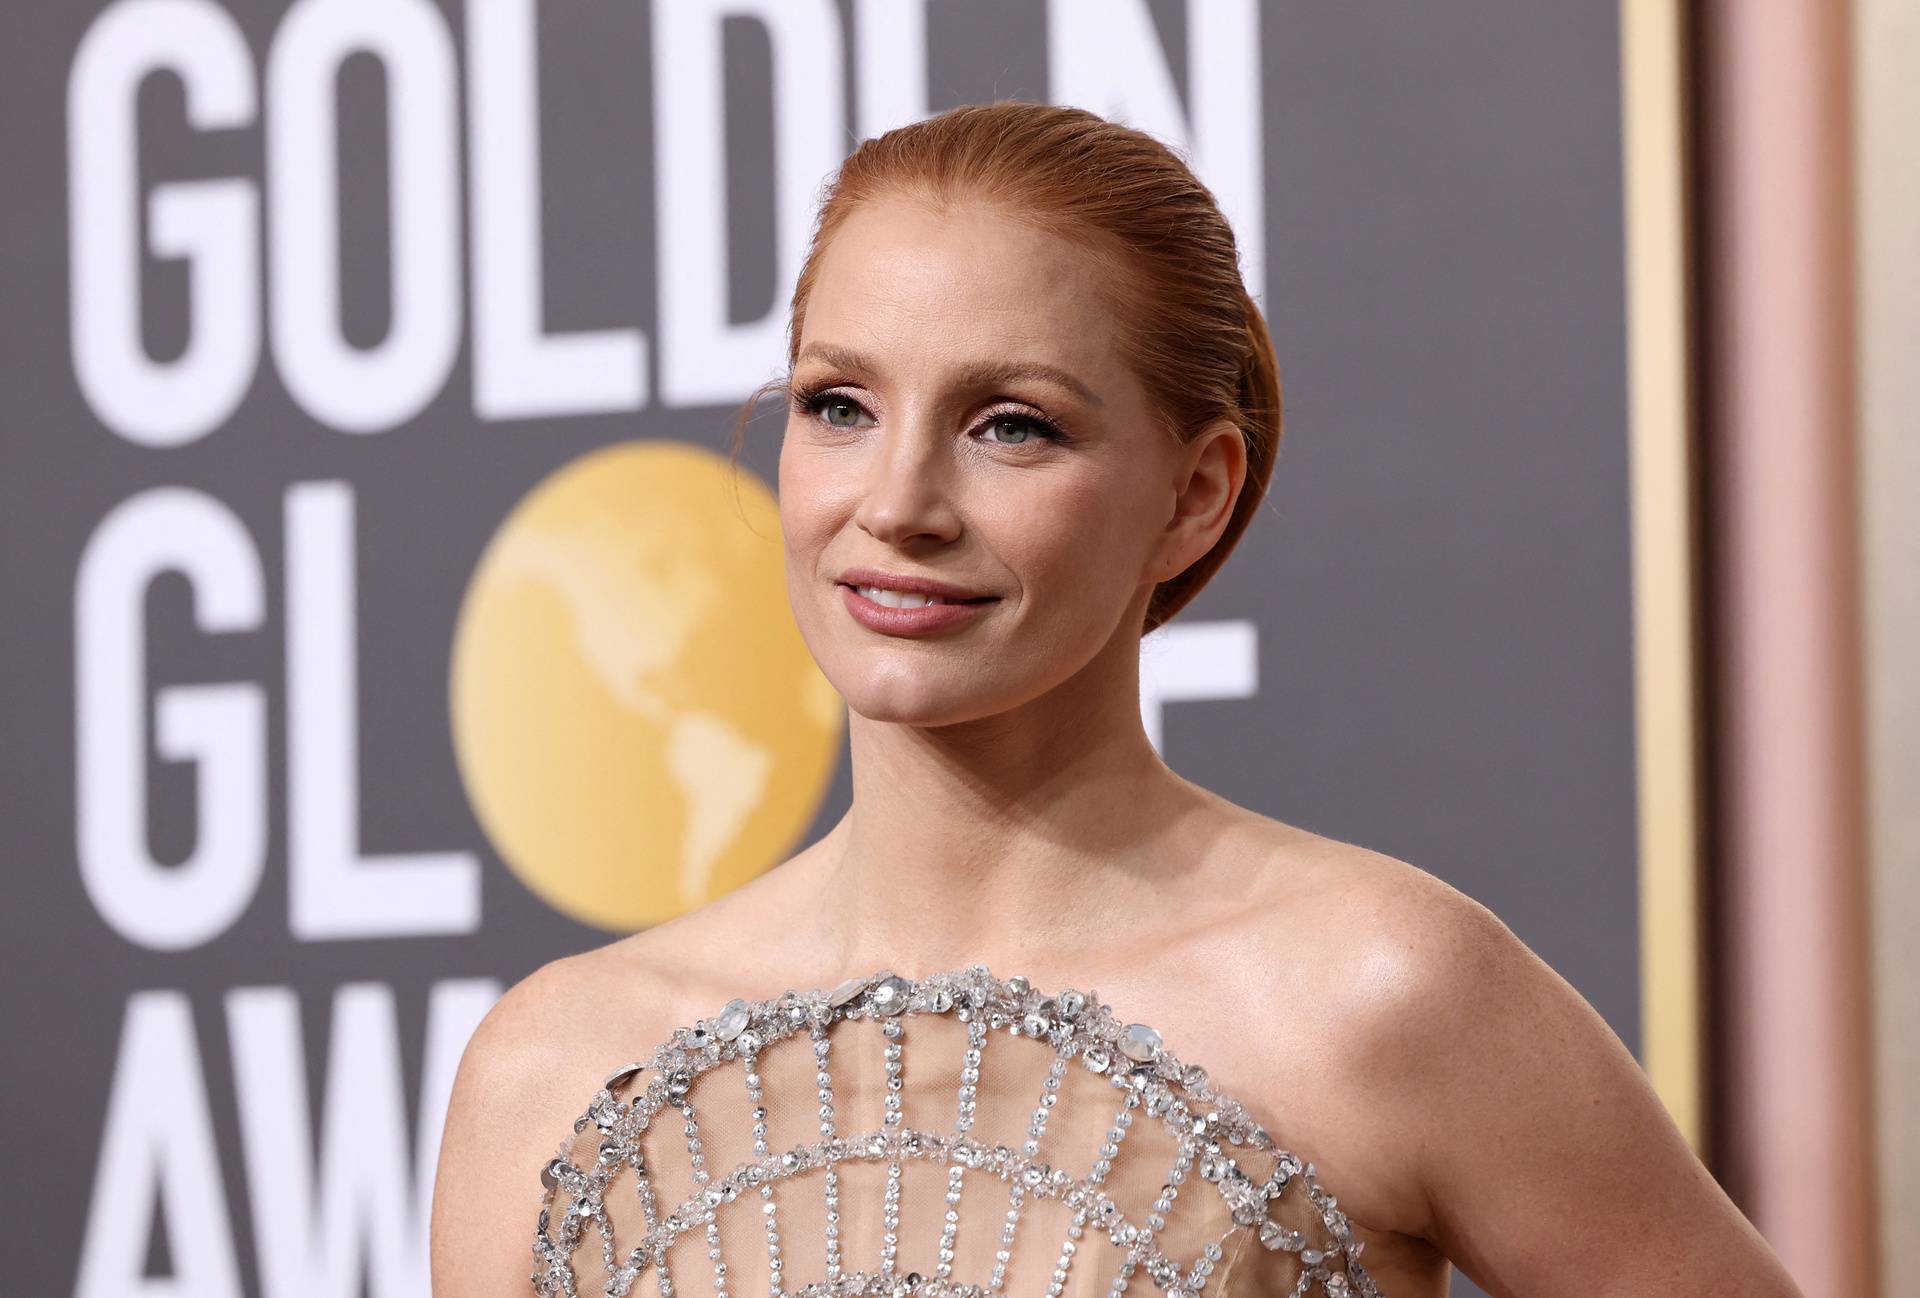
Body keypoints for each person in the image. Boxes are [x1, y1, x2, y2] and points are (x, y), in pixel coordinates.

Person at [429, 100, 1803, 1298]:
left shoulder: (1379, 993)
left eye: (1009, 424)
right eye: (839, 403)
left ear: (1194, 493)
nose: (896, 505)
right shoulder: (555, 1070)